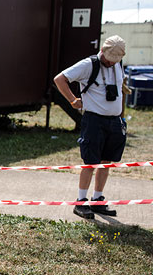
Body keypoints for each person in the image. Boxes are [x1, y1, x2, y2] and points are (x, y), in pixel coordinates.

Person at [53, 35, 127, 219]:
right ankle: (81, 201)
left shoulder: (118, 64)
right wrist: (72, 100)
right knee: (90, 163)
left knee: (107, 162)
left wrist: (121, 116)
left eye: (115, 60)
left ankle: (97, 200)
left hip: (114, 121)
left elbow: (121, 89)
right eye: (109, 59)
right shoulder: (88, 65)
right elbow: (60, 79)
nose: (111, 63)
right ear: (102, 51)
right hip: (94, 120)